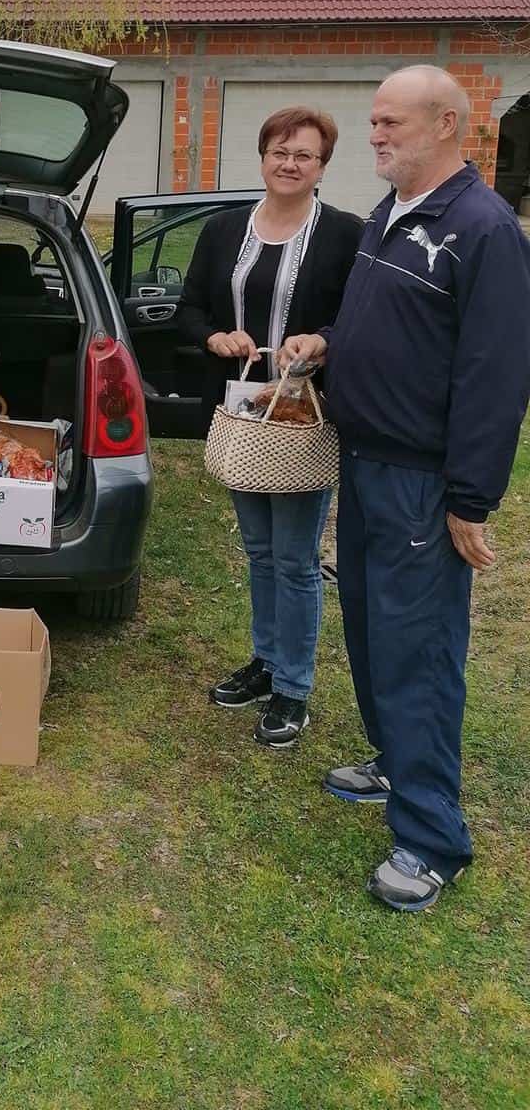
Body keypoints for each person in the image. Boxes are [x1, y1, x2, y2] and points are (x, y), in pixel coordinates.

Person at [283, 65, 530, 911]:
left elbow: (496, 375)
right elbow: (376, 322)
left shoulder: (483, 229)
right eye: (376, 121)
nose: (376, 134)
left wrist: (470, 498)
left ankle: (431, 841)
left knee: (417, 651)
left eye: (392, 122)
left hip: (423, 482)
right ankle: (395, 762)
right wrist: (326, 342)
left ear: (448, 125)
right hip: (364, 463)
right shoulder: (391, 213)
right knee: (370, 627)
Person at [177, 106, 362, 749]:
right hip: (241, 411)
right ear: (262, 158)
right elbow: (189, 308)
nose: (289, 164)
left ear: (322, 167)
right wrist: (214, 336)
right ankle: (265, 661)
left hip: (302, 414)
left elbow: (360, 318)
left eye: (303, 155)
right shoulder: (224, 228)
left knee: (296, 559)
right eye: (279, 152)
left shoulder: (345, 234)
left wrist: (321, 339)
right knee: (259, 550)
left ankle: (294, 689)